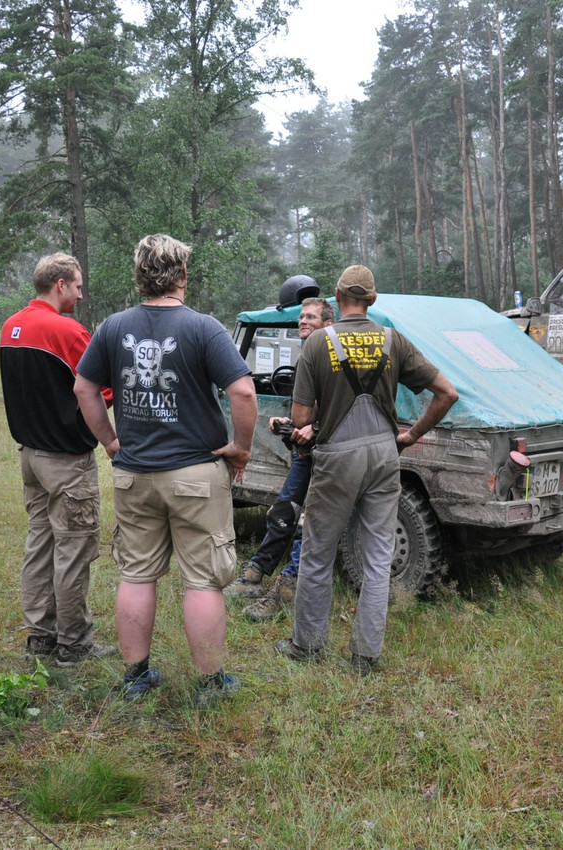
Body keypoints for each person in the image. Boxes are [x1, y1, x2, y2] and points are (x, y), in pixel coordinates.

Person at [74, 234, 257, 706]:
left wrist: (110, 441)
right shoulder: (203, 328)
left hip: (134, 474)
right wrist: (241, 448)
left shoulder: (113, 327)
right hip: (196, 474)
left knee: (137, 575)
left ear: (140, 275)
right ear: (182, 275)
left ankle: (135, 677)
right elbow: (242, 392)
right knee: (203, 580)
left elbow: (83, 388)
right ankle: (210, 685)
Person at [276, 265, 458, 673]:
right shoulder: (394, 340)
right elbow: (447, 393)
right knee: (377, 559)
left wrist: (321, 409)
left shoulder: (318, 342)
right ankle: (365, 656)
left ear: (338, 297)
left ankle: (307, 645)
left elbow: (301, 417)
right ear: (372, 300)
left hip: (337, 457)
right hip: (384, 455)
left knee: (318, 554)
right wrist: (411, 436)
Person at [0, 253, 116, 666]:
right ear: (61, 284)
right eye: (78, 286)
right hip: (66, 461)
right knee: (74, 550)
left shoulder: (10, 327)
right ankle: (74, 642)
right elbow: (100, 391)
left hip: (31, 457)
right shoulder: (67, 331)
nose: (81, 295)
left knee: (40, 545)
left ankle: (41, 636)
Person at [225, 294, 335, 621]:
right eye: (301, 317)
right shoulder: (306, 356)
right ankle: (254, 575)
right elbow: (308, 409)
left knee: (307, 524)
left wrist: (315, 427)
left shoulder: (335, 358)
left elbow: (344, 406)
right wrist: (289, 424)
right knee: (283, 513)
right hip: (304, 452)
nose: (303, 321)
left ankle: (288, 588)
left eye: (311, 317)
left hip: (329, 454)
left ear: (328, 324)